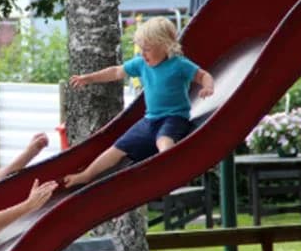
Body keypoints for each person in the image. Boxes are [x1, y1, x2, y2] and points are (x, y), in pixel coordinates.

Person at [63, 16, 215, 188]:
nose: (143, 53)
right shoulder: (141, 64)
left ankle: (169, 168)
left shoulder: (179, 65)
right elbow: (115, 72)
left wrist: (207, 87)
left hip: (174, 118)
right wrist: (88, 78)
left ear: (166, 46)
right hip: (150, 120)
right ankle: (86, 175)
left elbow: (203, 75)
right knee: (117, 149)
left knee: (163, 140)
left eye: (147, 49)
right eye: (141, 49)